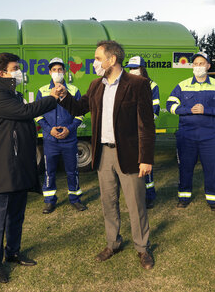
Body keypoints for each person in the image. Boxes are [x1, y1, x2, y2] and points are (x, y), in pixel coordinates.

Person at [55, 40, 156, 269]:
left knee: (135, 204)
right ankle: (113, 243)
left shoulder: (138, 84)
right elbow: (80, 108)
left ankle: (142, 248)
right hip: (103, 154)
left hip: (129, 155)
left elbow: (146, 126)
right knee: (108, 203)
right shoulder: (95, 85)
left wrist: (146, 158)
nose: (95, 63)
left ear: (112, 59)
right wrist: (63, 96)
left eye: (98, 58)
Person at [0, 52, 59, 283]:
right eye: (15, 67)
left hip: (17, 164)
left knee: (16, 213)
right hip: (3, 165)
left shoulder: (12, 93)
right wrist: (52, 97)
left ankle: (13, 252)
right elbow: (25, 113)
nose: (19, 71)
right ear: (2, 73)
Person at [166, 52, 215, 212]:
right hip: (186, 136)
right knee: (185, 168)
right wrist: (188, 110)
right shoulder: (182, 85)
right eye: (195, 63)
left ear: (208, 66)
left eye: (202, 63)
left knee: (211, 170)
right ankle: (183, 198)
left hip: (210, 137)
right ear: (192, 66)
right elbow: (170, 105)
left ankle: (213, 200)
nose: (198, 66)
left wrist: (207, 110)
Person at [35, 57, 86, 214]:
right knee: (49, 171)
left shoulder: (73, 90)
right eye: (54, 70)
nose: (57, 72)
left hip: (69, 139)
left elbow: (80, 114)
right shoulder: (42, 91)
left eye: (60, 70)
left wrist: (69, 129)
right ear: (49, 72)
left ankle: (75, 199)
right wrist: (49, 129)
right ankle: (49, 201)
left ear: (64, 71)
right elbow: (37, 114)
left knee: (72, 170)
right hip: (50, 140)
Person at [125, 56, 160, 209]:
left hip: (144, 132)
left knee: (146, 166)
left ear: (142, 68)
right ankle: (136, 196)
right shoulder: (124, 85)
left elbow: (155, 110)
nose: (132, 71)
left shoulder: (152, 86)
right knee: (131, 165)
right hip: (128, 133)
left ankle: (150, 195)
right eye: (130, 68)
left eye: (135, 68)